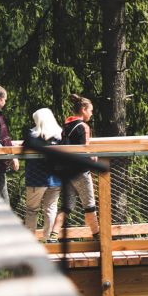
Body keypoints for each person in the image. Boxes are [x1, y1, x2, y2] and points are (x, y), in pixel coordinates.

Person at [56, 94, 101, 240]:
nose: (92, 113)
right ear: (83, 109)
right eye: (91, 110)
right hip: (80, 172)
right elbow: (83, 151)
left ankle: (53, 234)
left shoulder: (67, 125)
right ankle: (97, 237)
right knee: (89, 205)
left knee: (67, 207)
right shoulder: (83, 127)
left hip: (66, 171)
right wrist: (92, 159)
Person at [22, 108, 62, 240]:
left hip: (36, 179)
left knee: (32, 210)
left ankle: (30, 242)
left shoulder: (31, 135)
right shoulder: (60, 135)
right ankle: (48, 240)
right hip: (55, 179)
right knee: (50, 209)